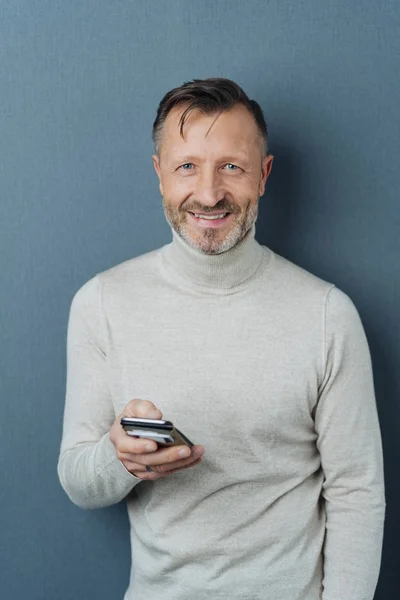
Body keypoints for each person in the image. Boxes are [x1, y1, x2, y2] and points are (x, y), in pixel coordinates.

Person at [58, 78, 385, 600]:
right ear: (159, 174)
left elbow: (356, 493)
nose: (208, 193)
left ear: (263, 175)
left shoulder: (328, 315)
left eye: (231, 166)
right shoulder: (101, 303)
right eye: (187, 165)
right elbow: (77, 478)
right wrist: (120, 458)